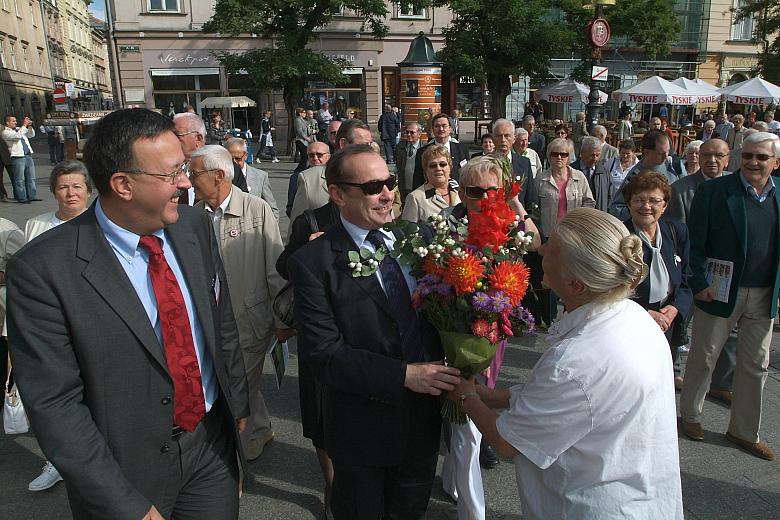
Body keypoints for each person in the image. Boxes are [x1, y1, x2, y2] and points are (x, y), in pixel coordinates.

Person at [6, 109, 250, 519]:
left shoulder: (193, 227)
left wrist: (237, 404)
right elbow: (55, 404)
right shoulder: (43, 269)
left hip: (209, 448)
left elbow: (219, 321)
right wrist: (122, 503)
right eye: (172, 174)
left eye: (184, 170)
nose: (186, 183)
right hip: (123, 471)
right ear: (122, 184)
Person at [448, 207, 683, 519]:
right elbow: (577, 402)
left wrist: (465, 396)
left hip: (593, 505)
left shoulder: (574, 363)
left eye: (553, 249)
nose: (542, 248)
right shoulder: (638, 318)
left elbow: (506, 443)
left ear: (576, 285)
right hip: (643, 496)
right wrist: (493, 397)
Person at [287, 145, 461, 519]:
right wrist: (404, 376)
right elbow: (323, 354)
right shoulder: (313, 263)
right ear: (337, 194)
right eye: (372, 187)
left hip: (423, 423)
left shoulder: (421, 239)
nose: (387, 195)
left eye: (390, 182)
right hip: (362, 430)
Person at [439, 156, 539, 519]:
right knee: (466, 425)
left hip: (493, 332)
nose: (482, 197)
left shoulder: (511, 222)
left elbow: (537, 242)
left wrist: (513, 202)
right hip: (458, 330)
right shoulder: (448, 224)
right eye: (473, 190)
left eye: (490, 189)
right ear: (461, 192)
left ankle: (452, 480)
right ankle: (472, 511)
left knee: (462, 419)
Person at [679, 132, 780, 461]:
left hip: (764, 293)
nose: (754, 162)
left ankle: (744, 431)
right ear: (738, 158)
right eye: (748, 155)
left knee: (756, 365)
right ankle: (690, 416)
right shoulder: (714, 191)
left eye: (762, 158)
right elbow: (695, 242)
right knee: (704, 356)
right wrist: (698, 283)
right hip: (719, 289)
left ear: (775, 162)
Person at [189, 144, 288, 462]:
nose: (190, 180)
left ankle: (234, 458)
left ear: (218, 176)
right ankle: (258, 429)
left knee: (235, 387)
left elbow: (276, 267)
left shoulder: (255, 210)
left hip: (248, 319)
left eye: (195, 173)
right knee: (234, 381)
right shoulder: (191, 216)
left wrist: (282, 320)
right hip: (208, 321)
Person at [21, 161, 93, 492]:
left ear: (89, 191)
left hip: (92, 322)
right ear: (53, 192)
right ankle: (57, 461)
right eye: (63, 186)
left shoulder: (101, 225)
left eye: (77, 186)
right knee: (57, 395)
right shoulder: (36, 226)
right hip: (53, 325)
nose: (70, 192)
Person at [665, 137, 737, 400]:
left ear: (728, 159)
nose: (712, 161)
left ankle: (722, 382)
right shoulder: (682, 189)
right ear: (697, 158)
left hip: (724, 271)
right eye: (707, 155)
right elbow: (673, 233)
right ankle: (671, 370)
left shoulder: (736, 187)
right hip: (689, 267)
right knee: (680, 321)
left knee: (729, 327)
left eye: (719, 156)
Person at [622, 171, 692, 390]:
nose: (646, 206)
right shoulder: (620, 235)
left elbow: (688, 278)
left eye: (654, 200)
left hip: (666, 321)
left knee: (659, 381)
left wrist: (675, 308)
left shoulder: (676, 231)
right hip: (629, 321)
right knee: (631, 381)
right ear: (629, 203)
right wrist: (645, 313)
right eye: (639, 200)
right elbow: (609, 286)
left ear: (665, 205)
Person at [532, 138, 595, 326]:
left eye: (564, 154)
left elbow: (589, 202)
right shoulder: (541, 179)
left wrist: (582, 226)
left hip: (573, 237)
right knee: (550, 277)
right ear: (549, 156)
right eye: (555, 154)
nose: (559, 157)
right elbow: (533, 208)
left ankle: (571, 316)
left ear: (569, 157)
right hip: (549, 236)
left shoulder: (579, 177)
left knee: (573, 277)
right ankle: (550, 318)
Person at [289, 119, 372, 227]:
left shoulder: (377, 176)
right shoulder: (309, 180)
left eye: (370, 145)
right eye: (364, 146)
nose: (369, 151)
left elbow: (388, 225)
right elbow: (295, 229)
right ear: (343, 143)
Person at [609, 129, 684, 220]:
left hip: (674, 226)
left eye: (667, 152)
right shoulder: (635, 175)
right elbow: (616, 208)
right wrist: (642, 211)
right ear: (646, 152)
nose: (666, 156)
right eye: (660, 154)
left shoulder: (675, 165)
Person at [401, 145, 460, 224]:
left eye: (443, 164)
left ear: (450, 167)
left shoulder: (461, 191)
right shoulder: (415, 198)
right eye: (433, 165)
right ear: (425, 170)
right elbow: (407, 231)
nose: (438, 168)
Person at [225, 138, 279, 219]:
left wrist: (270, 229)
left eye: (238, 159)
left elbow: (272, 209)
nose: (234, 163)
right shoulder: (220, 177)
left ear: (245, 156)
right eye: (230, 159)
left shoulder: (261, 176)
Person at [490, 119, 537, 210]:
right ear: (493, 138)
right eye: (499, 136)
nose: (503, 140)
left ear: (514, 139)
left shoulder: (524, 163)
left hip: (518, 219)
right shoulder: (483, 163)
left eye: (507, 136)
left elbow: (530, 198)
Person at [413, 113, 470, 187]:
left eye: (444, 125)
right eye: (437, 126)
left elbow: (468, 175)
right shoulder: (423, 152)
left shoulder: (462, 149)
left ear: (450, 129)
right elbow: (418, 179)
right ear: (432, 129)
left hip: (458, 194)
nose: (441, 129)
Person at [2, 115, 40, 204]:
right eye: (13, 121)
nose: (15, 122)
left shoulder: (19, 128)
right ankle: (22, 198)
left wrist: (29, 126)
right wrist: (24, 125)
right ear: (7, 122)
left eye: (15, 121)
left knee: (31, 178)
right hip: (17, 157)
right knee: (19, 179)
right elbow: (17, 136)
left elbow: (31, 135)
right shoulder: (5, 132)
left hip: (27, 155)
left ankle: (32, 196)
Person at [173, 112, 207, 205]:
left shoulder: (221, 166)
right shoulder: (170, 167)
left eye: (177, 135)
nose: (171, 139)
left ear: (198, 139)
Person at [571, 136, 610, 211]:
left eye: (597, 155)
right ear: (582, 153)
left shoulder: (604, 173)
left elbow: (610, 198)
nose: (595, 158)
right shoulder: (571, 171)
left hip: (599, 218)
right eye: (592, 155)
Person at [395, 122, 423, 200]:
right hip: (404, 186)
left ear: (419, 134)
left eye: (412, 132)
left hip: (419, 188)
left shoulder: (424, 148)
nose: (408, 134)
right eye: (407, 132)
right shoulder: (400, 147)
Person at [295, 107, 313, 171]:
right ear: (300, 113)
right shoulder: (298, 120)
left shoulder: (303, 120)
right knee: (304, 156)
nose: (305, 114)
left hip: (304, 141)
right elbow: (299, 131)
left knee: (305, 156)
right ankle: (299, 169)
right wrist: (306, 138)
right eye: (304, 112)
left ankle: (302, 168)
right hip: (300, 140)